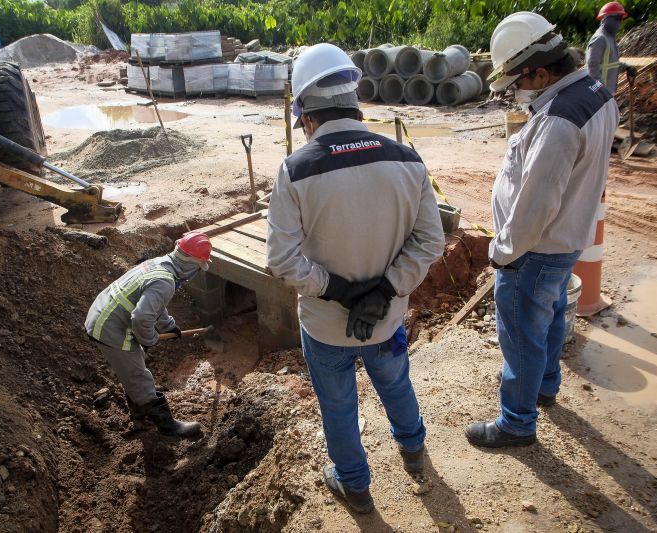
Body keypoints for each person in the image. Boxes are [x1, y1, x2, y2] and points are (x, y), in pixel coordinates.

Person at [266, 43, 445, 514]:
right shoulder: (407, 159)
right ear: (355, 101)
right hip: (385, 321)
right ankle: (413, 450)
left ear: (305, 112)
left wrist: (340, 291)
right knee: (396, 383)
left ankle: (356, 488)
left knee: (339, 407)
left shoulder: (295, 171)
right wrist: (383, 290)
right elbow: (430, 243)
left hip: (326, 328)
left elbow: (282, 261)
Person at [467, 12, 619, 448]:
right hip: (569, 237)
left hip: (535, 249)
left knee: (520, 335)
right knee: (549, 316)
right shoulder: (596, 92)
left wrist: (504, 250)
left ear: (539, 71)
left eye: (518, 82)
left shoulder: (557, 120)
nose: (515, 92)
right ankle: (545, 385)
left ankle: (516, 420)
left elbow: (536, 203)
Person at [84, 232, 212, 439]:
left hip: (103, 313)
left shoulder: (160, 264)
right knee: (138, 375)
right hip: (109, 327)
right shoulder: (165, 281)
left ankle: (139, 415)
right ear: (192, 264)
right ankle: (168, 427)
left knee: (133, 366)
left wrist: (168, 326)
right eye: (199, 267)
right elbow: (142, 318)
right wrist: (148, 338)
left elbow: (154, 304)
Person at [586, 2, 636, 94]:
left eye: (621, 19)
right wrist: (599, 90)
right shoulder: (600, 39)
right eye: (618, 18)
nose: (620, 22)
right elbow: (592, 67)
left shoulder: (609, 38)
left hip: (607, 93)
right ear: (607, 18)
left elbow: (611, 64)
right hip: (599, 95)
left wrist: (626, 68)